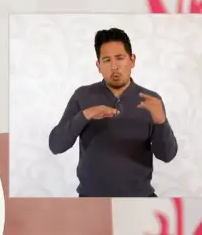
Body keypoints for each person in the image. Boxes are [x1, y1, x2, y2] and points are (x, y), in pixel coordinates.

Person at [48, 27, 178, 197]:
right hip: (92, 200)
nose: (114, 66)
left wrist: (161, 123)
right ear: (98, 65)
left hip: (140, 199)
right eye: (107, 60)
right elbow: (56, 145)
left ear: (132, 60)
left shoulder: (151, 100)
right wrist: (85, 115)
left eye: (120, 58)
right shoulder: (82, 95)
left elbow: (167, 156)